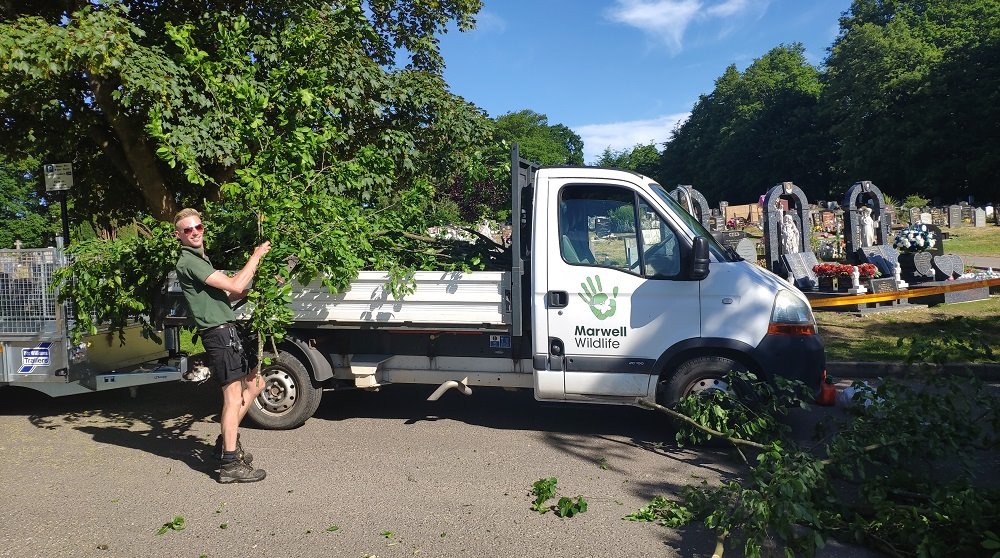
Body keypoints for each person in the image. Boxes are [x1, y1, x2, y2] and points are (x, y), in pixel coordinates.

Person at [173, 208, 271, 483]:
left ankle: (223, 445)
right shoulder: (190, 261)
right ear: (178, 235)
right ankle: (230, 464)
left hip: (227, 331)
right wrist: (256, 256)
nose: (194, 233)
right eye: (188, 230)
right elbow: (235, 284)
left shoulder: (200, 260)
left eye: (198, 227)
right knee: (232, 397)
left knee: (255, 384)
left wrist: (258, 290)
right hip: (218, 335)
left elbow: (229, 294)